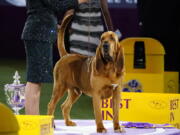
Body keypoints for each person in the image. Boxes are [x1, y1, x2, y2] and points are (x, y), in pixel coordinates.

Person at [21, 0, 87, 115]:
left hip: (39, 34)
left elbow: (43, 9)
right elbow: (57, 4)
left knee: (35, 82)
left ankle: (33, 121)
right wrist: (79, 1)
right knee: (34, 82)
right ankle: (32, 123)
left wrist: (52, 23)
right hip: (38, 35)